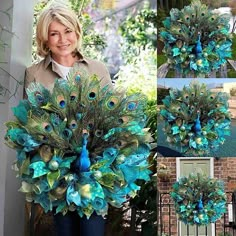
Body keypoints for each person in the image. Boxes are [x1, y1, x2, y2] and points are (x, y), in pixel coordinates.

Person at [24, 3, 112, 236]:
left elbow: (112, 120)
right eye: (54, 33)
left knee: (92, 229)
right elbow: (30, 124)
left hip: (94, 168)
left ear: (76, 32)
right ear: (45, 38)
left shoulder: (97, 68)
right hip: (55, 169)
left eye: (67, 31)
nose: (63, 39)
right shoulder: (34, 74)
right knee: (64, 230)